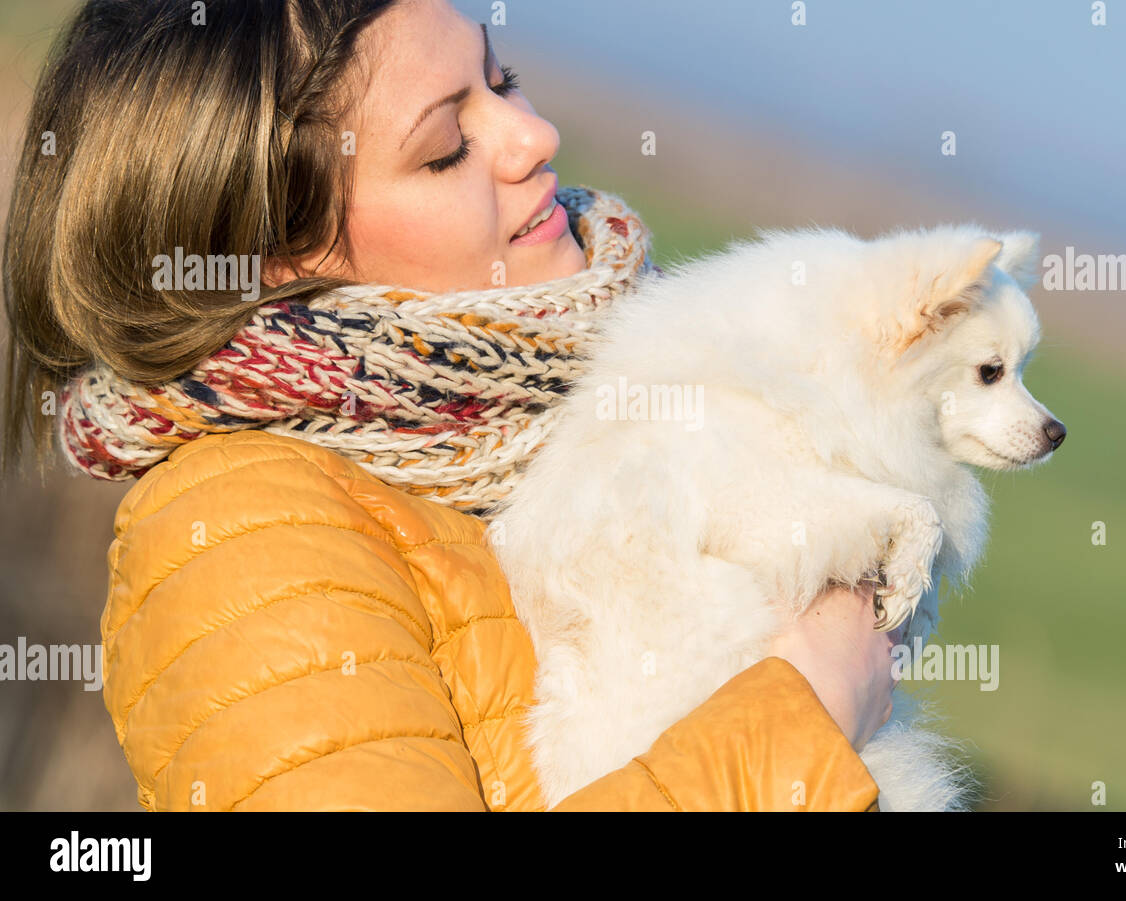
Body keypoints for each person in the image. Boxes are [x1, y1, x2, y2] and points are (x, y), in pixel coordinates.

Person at [2, 0, 900, 811]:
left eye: (501, 80)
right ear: (277, 261)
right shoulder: (238, 537)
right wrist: (798, 721)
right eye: (445, 149)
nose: (533, 135)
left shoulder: (629, 401)